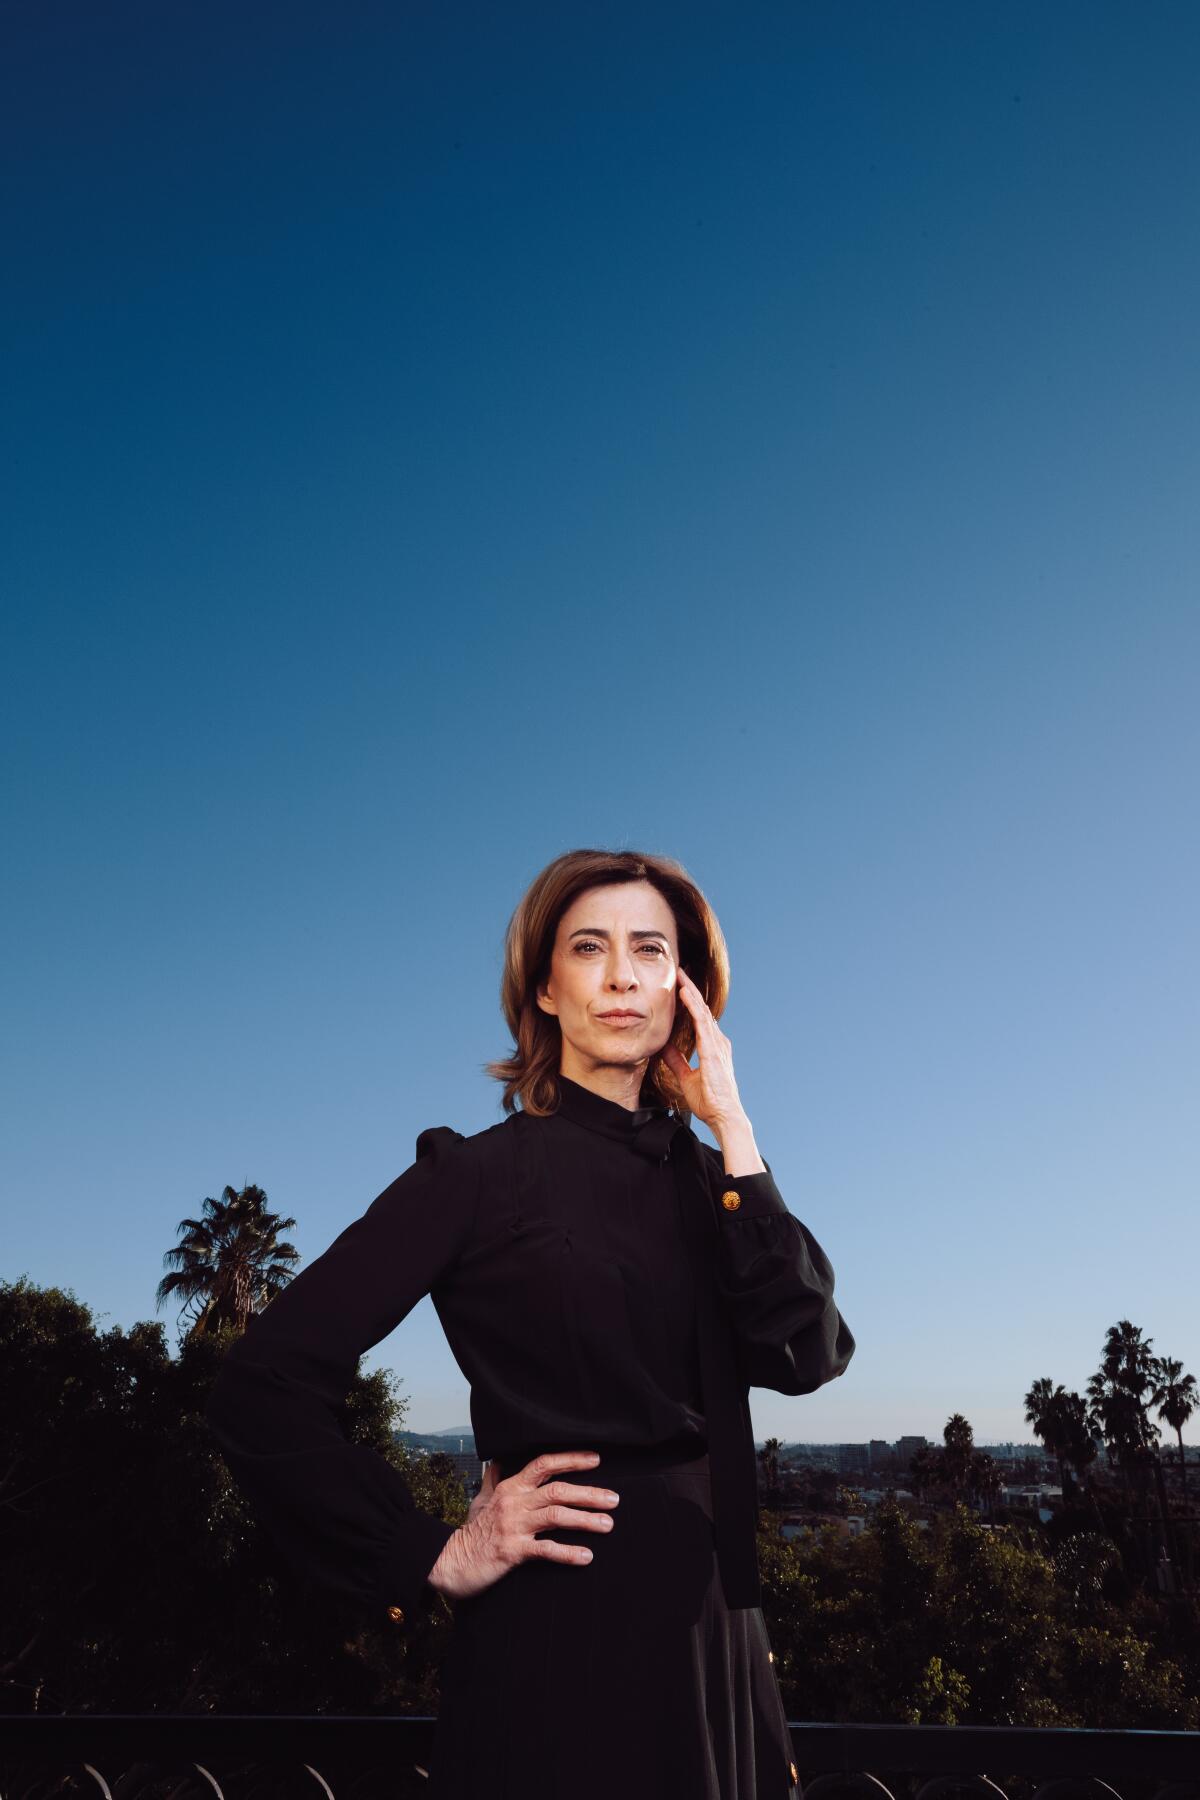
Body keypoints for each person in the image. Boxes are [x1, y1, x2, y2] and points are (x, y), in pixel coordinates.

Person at [205, 847, 855, 1797]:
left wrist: (736, 1128)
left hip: (719, 1635)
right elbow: (261, 1384)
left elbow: (805, 1352)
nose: (623, 975)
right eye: (590, 948)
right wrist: (426, 1550)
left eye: (651, 950)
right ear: (546, 989)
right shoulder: (475, 1176)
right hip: (559, 1631)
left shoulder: (718, 1189)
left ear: (686, 991)